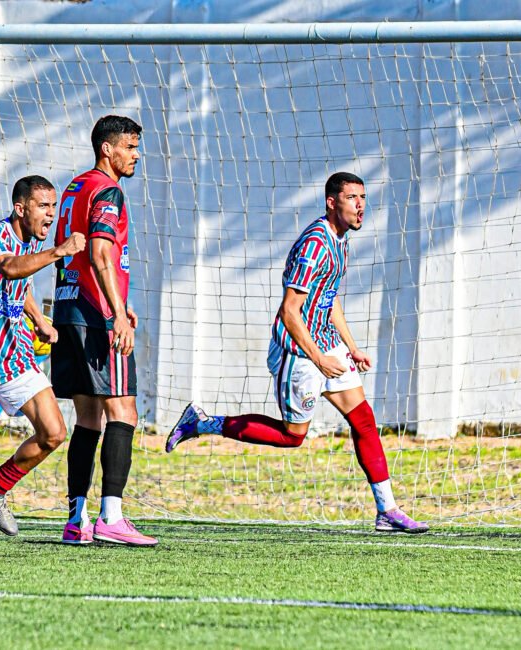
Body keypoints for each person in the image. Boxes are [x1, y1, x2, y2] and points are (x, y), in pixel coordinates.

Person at [165, 172, 428, 534]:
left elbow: (329, 299)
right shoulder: (315, 244)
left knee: (364, 421)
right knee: (293, 437)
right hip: (298, 351)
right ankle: (202, 422)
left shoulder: (341, 241)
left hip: (326, 344)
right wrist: (319, 359)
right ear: (331, 202)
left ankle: (387, 510)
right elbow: (290, 311)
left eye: (363, 198)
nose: (361, 205)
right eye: (352, 198)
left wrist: (351, 348)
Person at [0, 175, 85, 537]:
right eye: (43, 206)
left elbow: (20, 284)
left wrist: (39, 319)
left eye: (53, 207)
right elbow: (10, 268)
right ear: (20, 207)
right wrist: (59, 252)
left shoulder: (30, 241)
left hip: (14, 356)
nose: (50, 215)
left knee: (54, 432)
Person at [51, 115, 156, 546]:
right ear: (107, 149)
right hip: (95, 316)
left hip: (69, 308)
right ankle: (111, 517)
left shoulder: (76, 187)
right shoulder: (107, 189)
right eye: (130, 147)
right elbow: (99, 253)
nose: (136, 155)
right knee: (124, 412)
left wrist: (119, 301)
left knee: (88, 417)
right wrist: (116, 312)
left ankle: (78, 519)